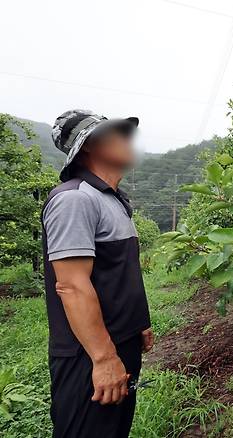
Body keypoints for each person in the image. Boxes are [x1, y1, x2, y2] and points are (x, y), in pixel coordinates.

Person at [42, 109, 153, 438]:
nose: (127, 140)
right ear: (89, 145)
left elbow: (117, 273)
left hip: (121, 342)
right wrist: (104, 359)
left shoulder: (112, 200)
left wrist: (138, 325)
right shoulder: (74, 199)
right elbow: (72, 286)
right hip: (88, 356)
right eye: (116, 133)